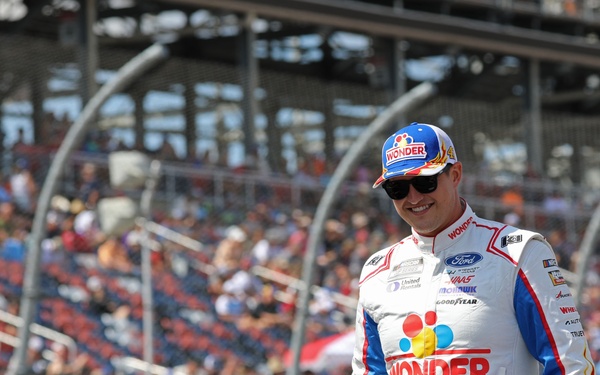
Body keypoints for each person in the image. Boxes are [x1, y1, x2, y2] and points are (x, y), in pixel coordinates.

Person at [352, 122, 596, 374]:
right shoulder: (377, 271)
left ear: (455, 174)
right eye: (397, 188)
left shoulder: (519, 252)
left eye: (425, 182)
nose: (413, 198)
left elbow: (569, 365)